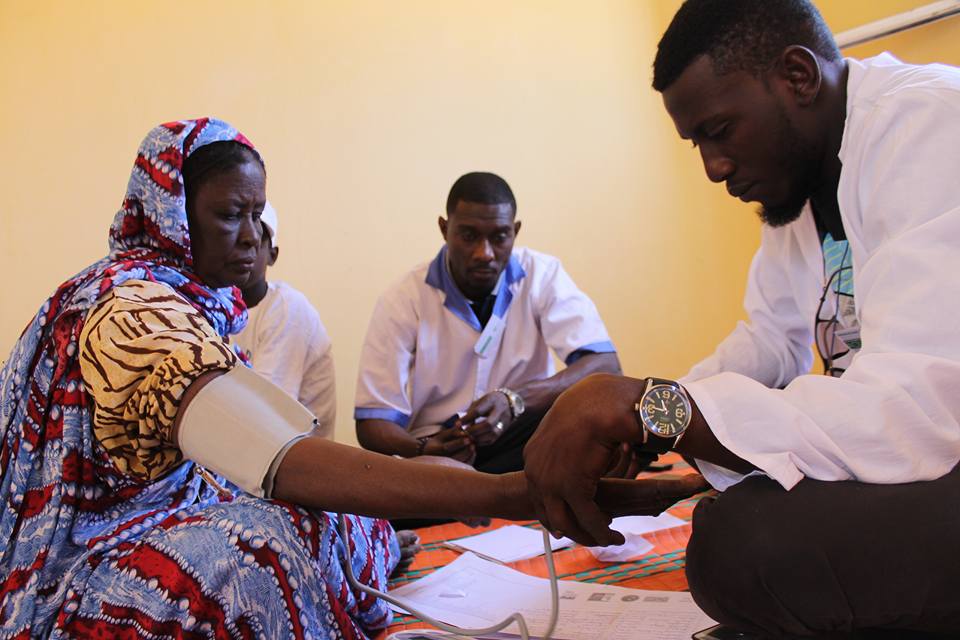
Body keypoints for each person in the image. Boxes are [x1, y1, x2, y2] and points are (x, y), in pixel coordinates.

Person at [0, 118, 703, 638]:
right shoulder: (136, 314)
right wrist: (519, 493)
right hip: (83, 551)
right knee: (260, 546)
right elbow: (283, 458)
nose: (248, 238)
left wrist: (530, 433)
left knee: (334, 519)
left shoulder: (179, 300)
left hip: (468, 449)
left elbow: (606, 368)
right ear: (170, 218)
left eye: (256, 215)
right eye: (226, 216)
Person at [522, 0, 960, 637]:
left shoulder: (929, 126)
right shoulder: (810, 178)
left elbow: (914, 410)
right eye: (698, 142)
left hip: (936, 437)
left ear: (797, 77)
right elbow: (767, 342)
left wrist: (650, 406)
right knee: (733, 510)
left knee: (745, 543)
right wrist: (649, 428)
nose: (713, 167)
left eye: (720, 130)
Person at [354, 172, 622, 473]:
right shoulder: (403, 298)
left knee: (602, 418)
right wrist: (424, 448)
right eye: (469, 236)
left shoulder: (543, 276)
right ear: (444, 229)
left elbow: (605, 365)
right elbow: (372, 423)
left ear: (515, 231)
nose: (485, 253)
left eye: (499, 237)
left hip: (522, 434)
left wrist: (514, 400)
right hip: (438, 450)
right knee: (404, 487)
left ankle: (493, 498)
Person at [233, 201, 337, 438]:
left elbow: (262, 417)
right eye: (237, 237)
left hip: (294, 465)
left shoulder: (288, 309)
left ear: (273, 255)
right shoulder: (215, 308)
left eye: (258, 238)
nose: (246, 245)